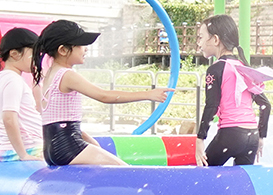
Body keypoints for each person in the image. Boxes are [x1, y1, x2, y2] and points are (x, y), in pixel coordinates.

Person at [32, 19, 172, 167]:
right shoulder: (67, 75)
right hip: (68, 147)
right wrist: (148, 94)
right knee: (126, 171)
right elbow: (103, 96)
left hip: (51, 149)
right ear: (63, 50)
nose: (86, 49)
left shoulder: (50, 75)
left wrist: (88, 139)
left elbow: (59, 119)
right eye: (81, 45)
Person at [194, 14, 272, 166]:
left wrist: (200, 139)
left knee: (203, 175)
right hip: (252, 136)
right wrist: (261, 137)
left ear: (215, 40)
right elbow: (265, 105)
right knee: (240, 179)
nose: (199, 43)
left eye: (201, 37)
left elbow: (212, 106)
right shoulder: (244, 68)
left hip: (230, 135)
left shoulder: (216, 69)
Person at [0, 27, 42, 163]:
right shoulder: (13, 80)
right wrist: (23, 155)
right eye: (34, 54)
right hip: (26, 149)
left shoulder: (7, 77)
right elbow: (9, 118)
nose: (38, 60)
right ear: (14, 54)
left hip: (21, 148)